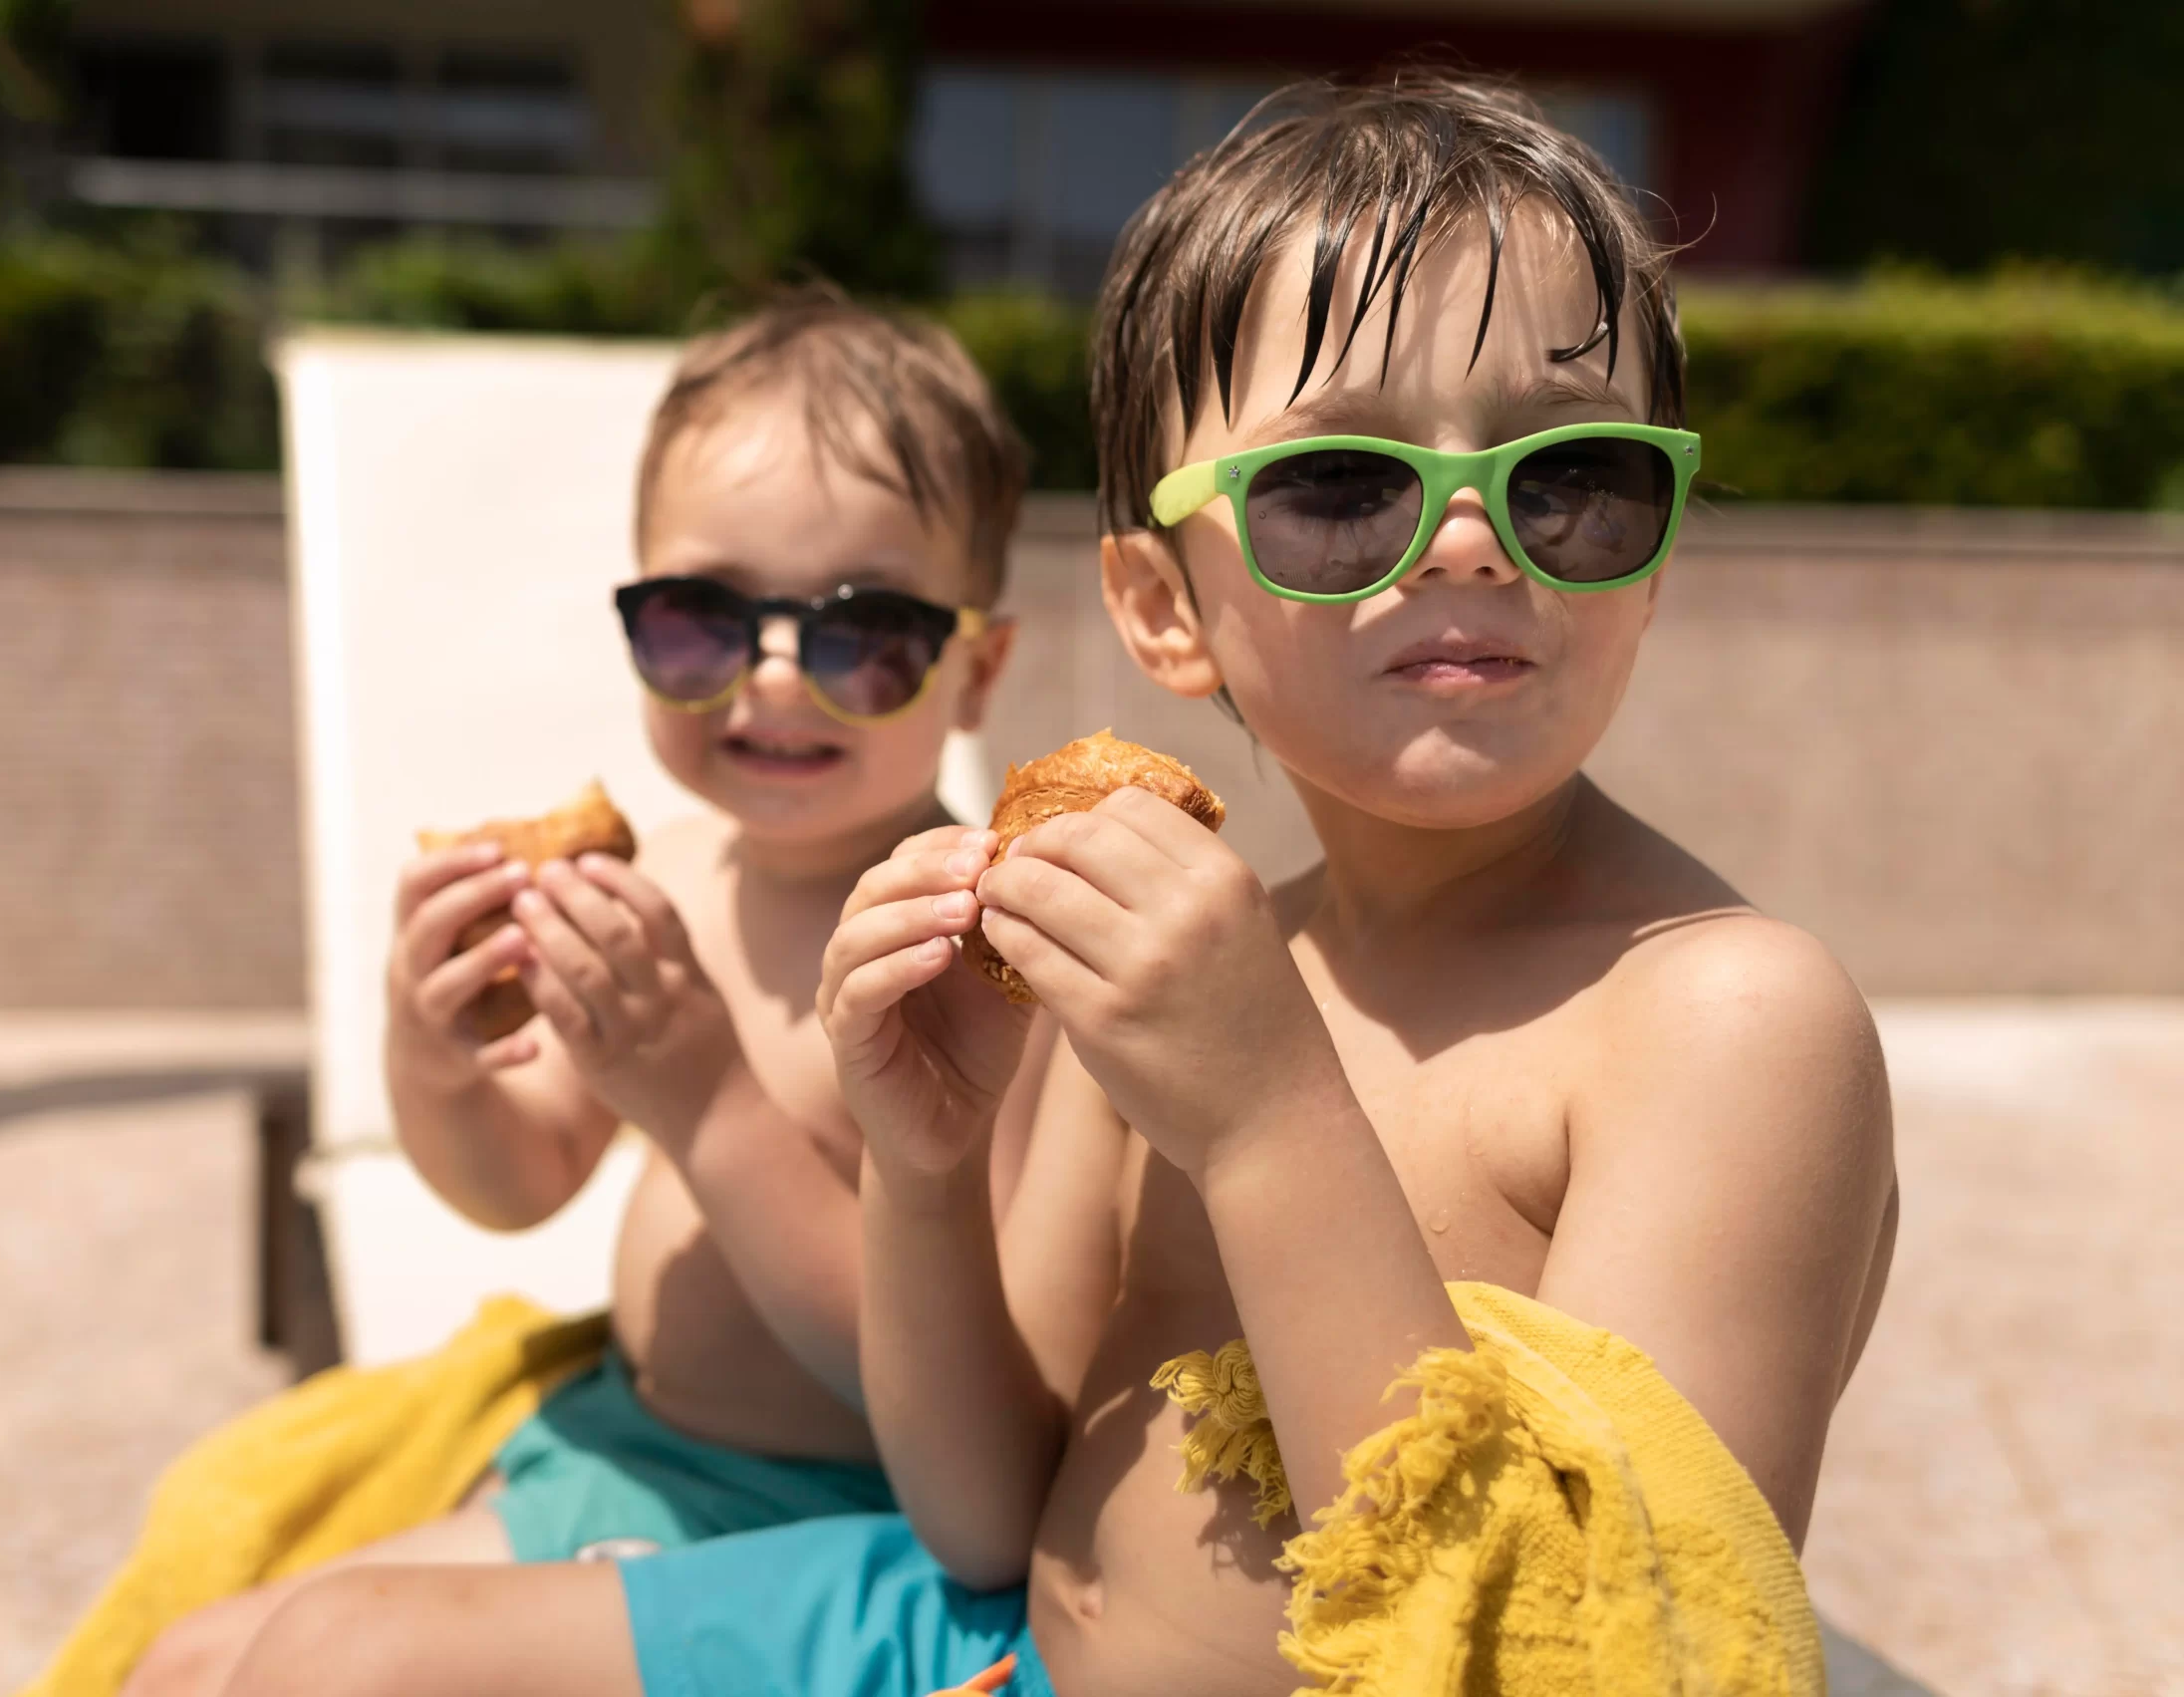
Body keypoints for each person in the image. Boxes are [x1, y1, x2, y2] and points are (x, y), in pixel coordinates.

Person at [213, 73, 1899, 1697]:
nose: (1467, 538)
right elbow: (976, 1505)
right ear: (1161, 608)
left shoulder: (1724, 1021)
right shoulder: (1189, 968)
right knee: (314, 1658)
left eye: (1572, 476)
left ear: (1654, 553)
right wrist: (926, 1169)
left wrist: (1261, 1118)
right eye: (1336, 486)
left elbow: (1612, 1657)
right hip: (979, 1640)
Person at [122, 287, 1034, 1695]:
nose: (775, 672)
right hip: (617, 1450)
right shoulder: (661, 873)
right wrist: (431, 1054)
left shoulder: (965, 952)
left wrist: (709, 1100)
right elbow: (521, 1171)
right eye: (699, 619)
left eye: (865, 629)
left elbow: (951, 1388)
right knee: (183, 1664)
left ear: (975, 669)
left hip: (825, 1520)